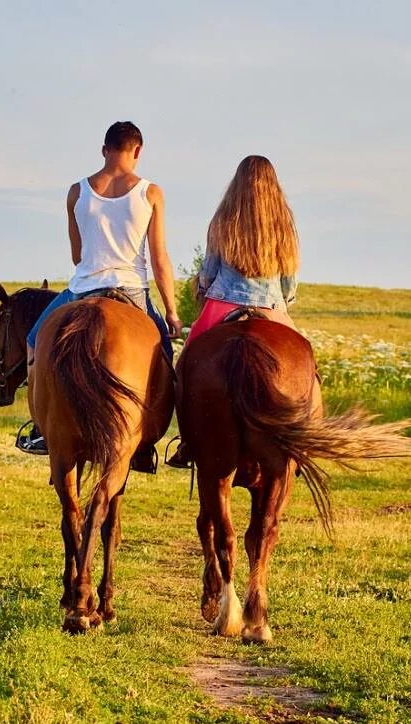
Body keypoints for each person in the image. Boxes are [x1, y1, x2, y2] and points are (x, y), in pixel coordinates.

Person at [17, 121, 182, 459]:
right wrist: (171, 311)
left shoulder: (77, 192)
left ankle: (40, 429)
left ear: (104, 149)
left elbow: (77, 255)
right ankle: (145, 437)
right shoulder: (150, 193)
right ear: (137, 151)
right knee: (163, 357)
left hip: (83, 289)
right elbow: (159, 257)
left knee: (34, 340)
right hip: (132, 292)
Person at [165, 155, 306, 469]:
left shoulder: (224, 218)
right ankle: (300, 442)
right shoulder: (284, 223)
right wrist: (285, 302)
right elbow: (289, 279)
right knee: (307, 371)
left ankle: (188, 443)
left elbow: (210, 270)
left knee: (185, 367)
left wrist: (201, 285)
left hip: (223, 301)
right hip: (272, 305)